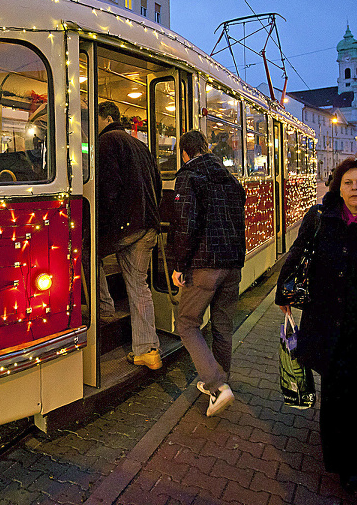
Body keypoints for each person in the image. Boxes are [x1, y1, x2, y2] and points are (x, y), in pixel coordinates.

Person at [278, 157, 357, 494]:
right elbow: (298, 253)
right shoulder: (321, 218)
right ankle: (343, 463)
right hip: (328, 320)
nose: (354, 189)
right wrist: (285, 291)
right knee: (336, 394)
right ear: (338, 188)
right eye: (348, 183)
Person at [168, 131, 247, 417]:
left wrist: (179, 265)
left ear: (185, 153)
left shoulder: (188, 178)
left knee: (187, 324)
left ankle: (216, 385)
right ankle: (222, 378)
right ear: (207, 148)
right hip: (233, 265)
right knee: (223, 327)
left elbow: (185, 225)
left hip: (204, 266)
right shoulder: (230, 178)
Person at [96, 100, 163, 370]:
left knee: (88, 251)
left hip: (126, 227)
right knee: (139, 287)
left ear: (105, 118)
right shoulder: (140, 144)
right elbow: (157, 183)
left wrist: (101, 226)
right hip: (148, 225)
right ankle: (148, 349)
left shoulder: (107, 142)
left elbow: (108, 188)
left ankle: (104, 308)